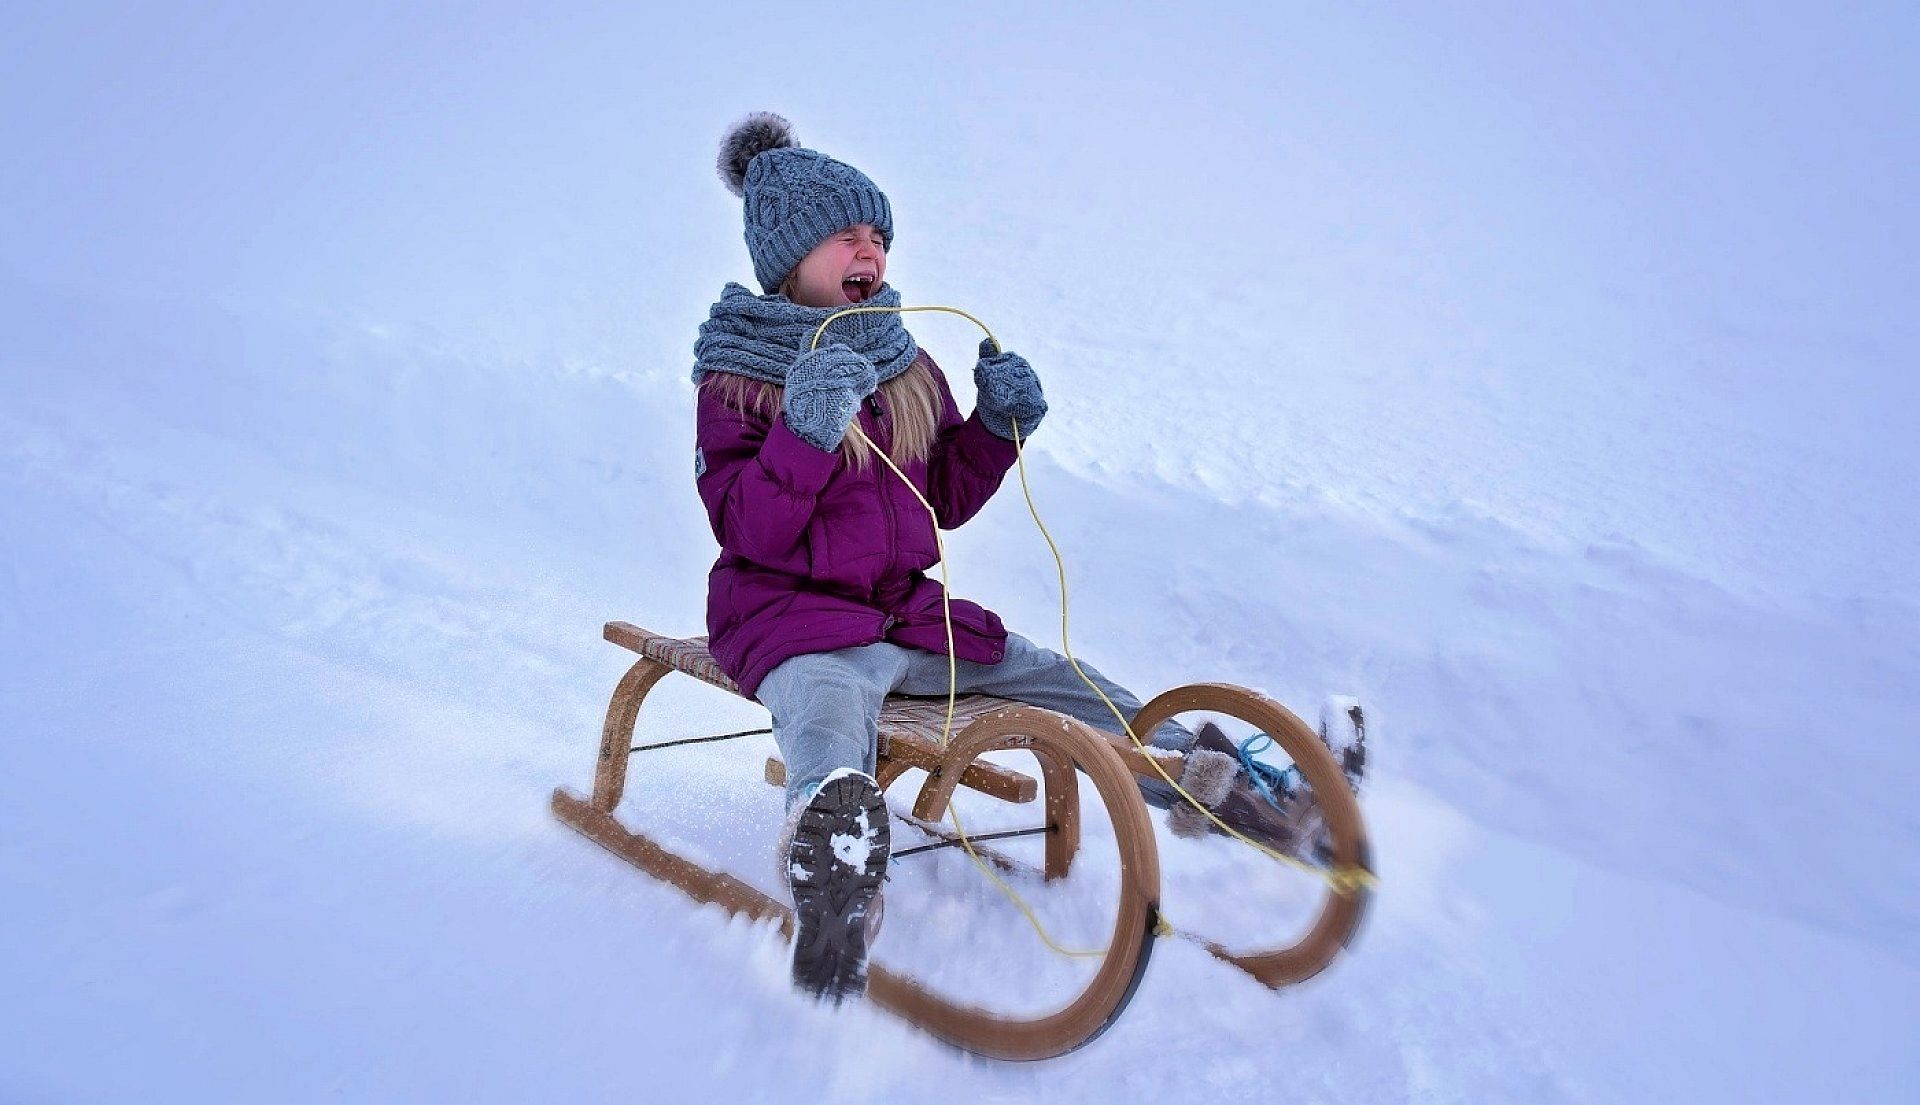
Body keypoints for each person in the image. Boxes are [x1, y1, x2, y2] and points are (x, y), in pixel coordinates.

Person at [689, 112, 1313, 1002]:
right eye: (846, 233)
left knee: (1060, 677)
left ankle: (1220, 780)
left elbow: (940, 494)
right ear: (791, 256)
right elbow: (746, 529)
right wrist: (804, 428)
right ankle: (834, 860)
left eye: (880, 234)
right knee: (827, 716)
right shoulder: (737, 377)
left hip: (909, 616)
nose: (870, 248)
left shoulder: (902, 362)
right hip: (795, 625)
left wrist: (995, 426)